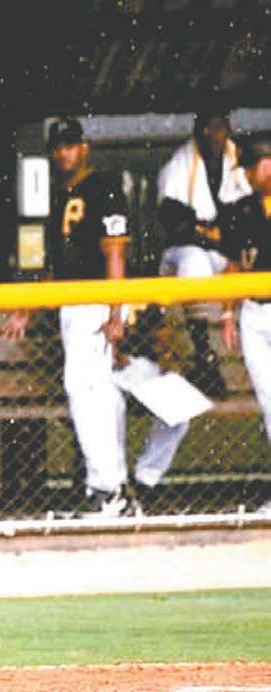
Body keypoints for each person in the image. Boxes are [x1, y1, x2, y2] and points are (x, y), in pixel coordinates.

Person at [4, 117, 186, 516]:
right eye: (58, 147)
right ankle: (114, 490)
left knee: (86, 391)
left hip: (99, 303)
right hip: (76, 306)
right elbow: (52, 267)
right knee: (101, 396)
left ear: (84, 148)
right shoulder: (57, 196)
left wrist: (115, 310)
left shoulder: (104, 187)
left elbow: (115, 253)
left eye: (70, 145)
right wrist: (25, 308)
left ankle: (111, 489)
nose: (64, 153)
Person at [156, 101, 252, 397]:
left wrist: (222, 240)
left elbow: (247, 216)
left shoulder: (240, 160)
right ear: (198, 130)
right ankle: (202, 352)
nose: (213, 134)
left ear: (228, 129)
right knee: (196, 262)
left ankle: (223, 353)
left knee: (247, 265)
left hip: (221, 252)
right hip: (184, 253)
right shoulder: (180, 163)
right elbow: (174, 222)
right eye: (207, 127)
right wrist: (213, 237)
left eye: (219, 127)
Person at [219, 138, 271, 516]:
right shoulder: (242, 209)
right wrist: (227, 314)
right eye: (252, 168)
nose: (255, 174)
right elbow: (233, 265)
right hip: (254, 311)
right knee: (270, 404)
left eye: (259, 166)